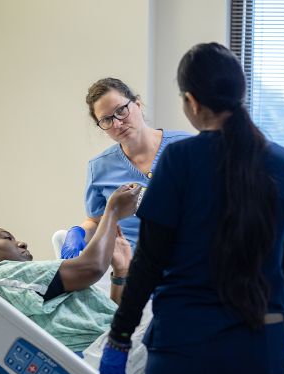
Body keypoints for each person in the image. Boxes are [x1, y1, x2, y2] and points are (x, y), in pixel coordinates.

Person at [98, 43, 284, 374]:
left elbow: (149, 262)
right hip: (260, 349)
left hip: (184, 350)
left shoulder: (179, 160)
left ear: (192, 102)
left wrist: (120, 337)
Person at [0, 184, 139, 353]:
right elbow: (92, 268)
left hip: (120, 345)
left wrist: (121, 272)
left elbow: (106, 319)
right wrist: (111, 211)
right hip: (111, 355)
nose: (23, 243)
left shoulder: (22, 289)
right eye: (7, 238)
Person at [58, 78, 192, 259]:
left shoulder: (186, 146)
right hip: (138, 270)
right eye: (106, 120)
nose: (117, 124)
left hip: (193, 262)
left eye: (121, 110)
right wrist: (79, 233)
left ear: (137, 103)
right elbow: (98, 221)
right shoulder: (99, 168)